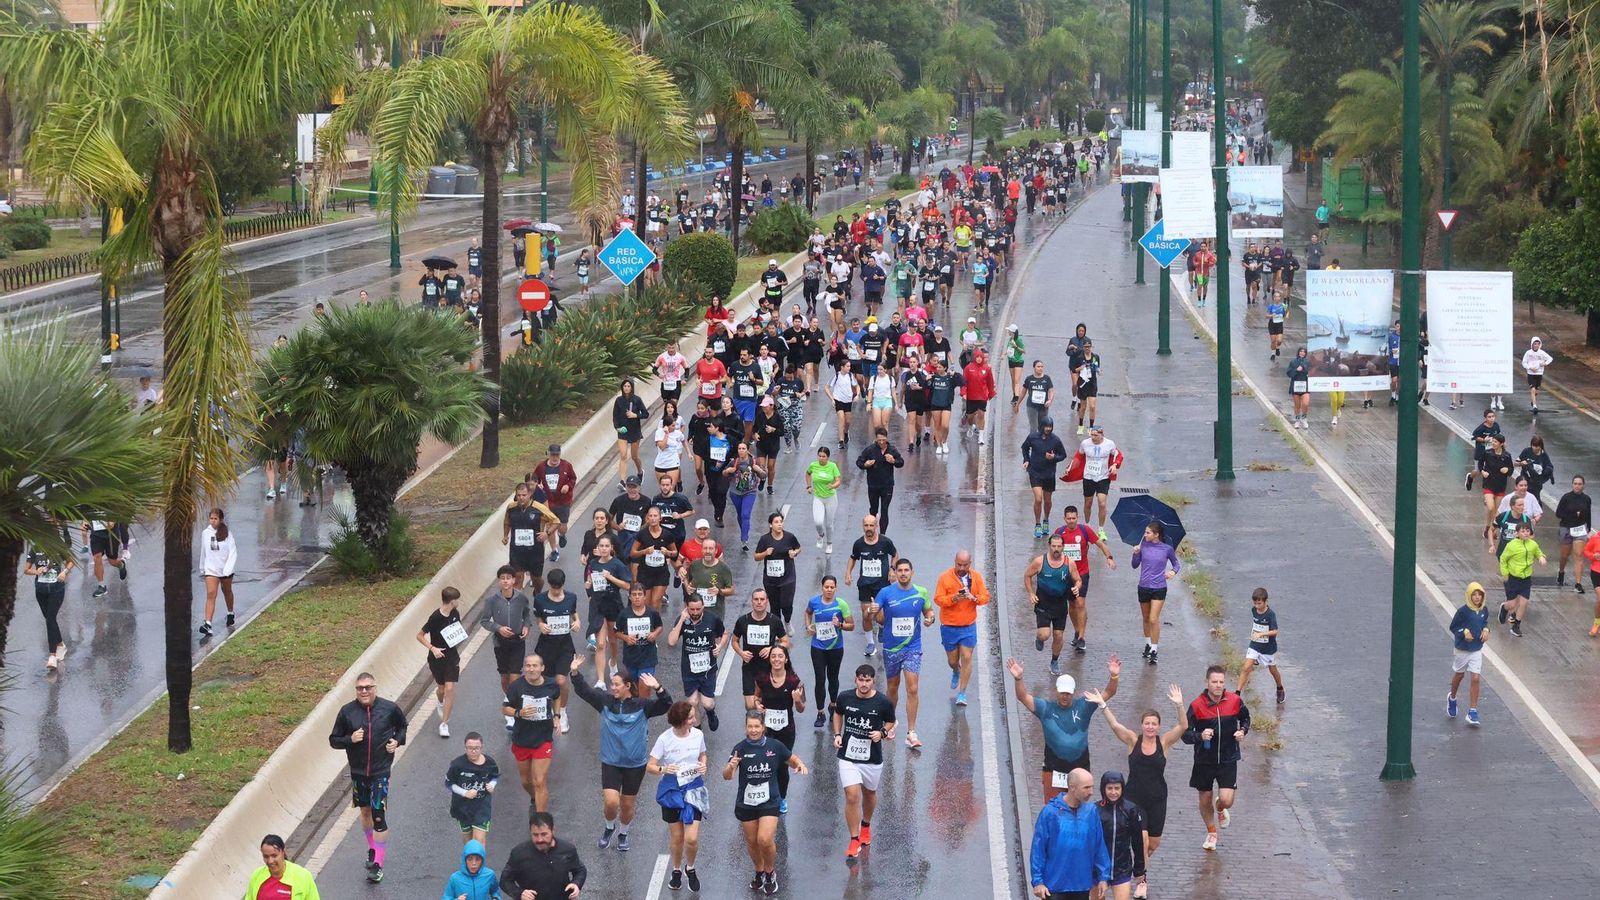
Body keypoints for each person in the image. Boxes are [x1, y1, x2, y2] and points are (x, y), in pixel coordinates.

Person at [569, 656, 672, 851]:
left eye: (616, 685)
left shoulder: (643, 705)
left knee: (626, 806)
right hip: (611, 762)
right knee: (611, 802)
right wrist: (574, 672)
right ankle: (609, 827)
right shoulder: (605, 702)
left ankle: (623, 832)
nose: (612, 688)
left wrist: (658, 687)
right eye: (611, 684)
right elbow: (584, 691)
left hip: (635, 765)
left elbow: (666, 704)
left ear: (627, 686)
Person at [1092, 685, 1186, 897]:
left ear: (1159, 726)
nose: (1150, 727)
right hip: (1135, 800)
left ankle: (1139, 864)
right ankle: (1142, 880)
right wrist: (1103, 705)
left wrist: (1179, 704)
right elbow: (1115, 725)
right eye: (1147, 723)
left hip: (1158, 800)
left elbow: (1183, 725)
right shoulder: (1133, 741)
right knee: (1142, 840)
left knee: (1152, 844)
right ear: (1142, 725)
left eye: (1154, 724)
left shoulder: (1164, 742)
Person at [327, 672, 407, 883]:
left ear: (375, 688)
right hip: (358, 772)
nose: (364, 691)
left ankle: (378, 864)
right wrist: (350, 739)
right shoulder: (347, 712)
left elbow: (402, 726)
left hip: (381, 772)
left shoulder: (389, 709)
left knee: (378, 815)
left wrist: (396, 742)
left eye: (368, 687)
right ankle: (372, 849)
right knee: (365, 812)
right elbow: (334, 740)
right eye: (360, 688)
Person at [1008, 656, 1120, 800]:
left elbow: (1109, 692)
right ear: (1056, 691)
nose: (1065, 696)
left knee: (1081, 810)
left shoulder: (1085, 705)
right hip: (1053, 771)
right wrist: (1018, 679)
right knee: (1054, 811)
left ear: (1073, 692)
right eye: (1062, 693)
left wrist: (1114, 676)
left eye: (1068, 693)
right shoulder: (1045, 708)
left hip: (1080, 770)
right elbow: (1023, 697)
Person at [725, 712, 809, 894]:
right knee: (752, 842)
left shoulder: (775, 746)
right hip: (746, 803)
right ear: (745, 728)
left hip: (769, 800)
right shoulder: (740, 748)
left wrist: (800, 764)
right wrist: (731, 766)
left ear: (763, 727)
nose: (753, 730)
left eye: (757, 726)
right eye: (750, 726)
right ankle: (759, 871)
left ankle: (770, 872)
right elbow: (727, 776)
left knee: (764, 839)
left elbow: (791, 759)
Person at [1183, 665, 1250, 851]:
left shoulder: (1235, 701)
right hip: (1204, 760)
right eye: (1214, 682)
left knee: (1227, 800)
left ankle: (1220, 809)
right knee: (1205, 798)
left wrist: (1242, 731)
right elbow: (1185, 734)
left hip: (1228, 758)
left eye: (1221, 682)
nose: (1218, 685)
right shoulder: (1197, 706)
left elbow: (1246, 719)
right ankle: (1212, 832)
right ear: (1207, 683)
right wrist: (1199, 736)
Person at [834, 664, 897, 861]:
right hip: (848, 756)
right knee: (852, 796)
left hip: (871, 758)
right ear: (855, 680)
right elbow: (838, 713)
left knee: (869, 794)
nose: (864, 684)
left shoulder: (883, 702)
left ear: (873, 681)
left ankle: (866, 825)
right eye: (861, 680)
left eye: (867, 680)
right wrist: (837, 734)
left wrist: (882, 733)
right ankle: (854, 839)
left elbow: (891, 721)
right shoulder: (845, 697)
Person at [648, 701, 709, 892]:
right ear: (681, 721)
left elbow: (703, 755)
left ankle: (690, 867)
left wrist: (703, 765)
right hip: (672, 790)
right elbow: (650, 765)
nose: (694, 720)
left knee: (691, 839)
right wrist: (664, 769)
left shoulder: (698, 734)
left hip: (694, 788)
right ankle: (676, 870)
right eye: (691, 717)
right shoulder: (665, 739)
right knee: (677, 837)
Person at [874, 557, 935, 749]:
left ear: (912, 572)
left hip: (912, 648)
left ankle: (911, 732)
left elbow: (929, 612)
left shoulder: (921, 592)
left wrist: (930, 619)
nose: (903, 573)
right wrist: (873, 611)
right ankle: (891, 722)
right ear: (895, 573)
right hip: (892, 648)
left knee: (913, 688)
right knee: (892, 688)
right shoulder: (885, 593)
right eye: (899, 570)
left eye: (906, 570)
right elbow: (880, 620)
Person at [1028, 769, 1112, 900]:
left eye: (1092, 787)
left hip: (1081, 885)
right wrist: (1038, 882)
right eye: (1086, 787)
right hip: (1054, 886)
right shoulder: (1050, 813)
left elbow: (1098, 845)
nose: (1091, 792)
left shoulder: (1091, 812)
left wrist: (1103, 877)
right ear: (1072, 787)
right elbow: (1038, 849)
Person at [502, 653, 562, 811]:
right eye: (528, 665)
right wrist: (519, 713)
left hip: (543, 738)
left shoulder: (551, 685)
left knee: (540, 781)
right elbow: (504, 708)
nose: (531, 669)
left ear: (542, 668)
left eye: (535, 665)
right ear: (524, 668)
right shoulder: (516, 687)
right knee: (526, 781)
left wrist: (557, 716)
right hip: (521, 738)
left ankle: (540, 818)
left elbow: (557, 698)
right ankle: (534, 797)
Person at [1054, 507, 1117, 652]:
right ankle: (1077, 631)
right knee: (1071, 605)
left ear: (1078, 517)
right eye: (1068, 518)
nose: (1071, 521)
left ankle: (1082, 637)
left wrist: (1109, 558)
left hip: (1082, 573)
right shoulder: (1059, 532)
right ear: (1064, 519)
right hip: (1066, 574)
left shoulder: (1085, 530)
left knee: (1080, 602)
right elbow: (1053, 551)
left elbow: (1101, 544)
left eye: (1073, 518)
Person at [752, 644, 807, 810]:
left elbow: (801, 708)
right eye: (773, 656)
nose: (776, 659)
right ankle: (765, 794)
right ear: (770, 659)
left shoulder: (794, 681)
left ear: (786, 659)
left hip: (786, 730)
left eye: (780, 656)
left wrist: (797, 700)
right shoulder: (762, 679)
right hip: (766, 730)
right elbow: (756, 697)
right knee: (765, 763)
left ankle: (781, 798)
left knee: (783, 765)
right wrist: (757, 705)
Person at [933, 550, 991, 706]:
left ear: (969, 564)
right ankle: (955, 670)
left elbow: (986, 597)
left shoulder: (976, 577)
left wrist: (974, 598)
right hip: (949, 626)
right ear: (954, 562)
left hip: (968, 626)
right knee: (952, 660)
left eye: (965, 565)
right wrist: (954, 598)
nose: (961, 568)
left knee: (966, 657)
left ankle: (962, 693)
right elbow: (938, 599)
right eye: (959, 564)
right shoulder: (944, 577)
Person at [668, 591, 729, 732]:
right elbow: (671, 642)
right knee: (692, 702)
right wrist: (682, 620)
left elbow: (724, 634)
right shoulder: (682, 619)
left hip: (708, 669)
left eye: (698, 609)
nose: (695, 612)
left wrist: (719, 647)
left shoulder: (712, 619)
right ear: (686, 607)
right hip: (689, 670)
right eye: (692, 609)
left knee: (707, 703)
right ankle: (698, 732)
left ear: (703, 607)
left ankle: (710, 712)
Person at [1024, 533, 1083, 674]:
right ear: (1049, 546)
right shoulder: (1039, 561)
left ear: (1063, 547)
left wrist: (1077, 587)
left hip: (1061, 605)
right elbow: (1027, 576)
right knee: (1045, 635)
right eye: (1053, 546)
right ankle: (1039, 638)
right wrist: (1031, 593)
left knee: (1058, 635)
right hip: (1043, 604)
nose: (1056, 549)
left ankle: (1054, 662)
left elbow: (1078, 579)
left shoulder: (1069, 563)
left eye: (1059, 546)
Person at [482, 565, 533, 727]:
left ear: (514, 580)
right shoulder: (491, 601)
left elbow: (527, 613)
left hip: (517, 642)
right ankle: (509, 698)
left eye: (508, 578)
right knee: (504, 677)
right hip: (500, 643)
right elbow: (484, 621)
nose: (506, 581)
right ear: (499, 581)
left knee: (515, 677)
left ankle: (511, 708)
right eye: (502, 578)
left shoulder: (521, 597)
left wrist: (526, 626)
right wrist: (498, 628)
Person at [499, 812, 586, 900]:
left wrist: (576, 884)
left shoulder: (567, 849)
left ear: (553, 830)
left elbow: (580, 870)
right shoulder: (519, 853)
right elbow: (505, 880)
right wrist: (520, 894)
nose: (540, 839)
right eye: (535, 835)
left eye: (544, 834)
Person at [846, 515, 897, 658]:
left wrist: (892, 569)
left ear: (876, 526)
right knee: (866, 615)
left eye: (871, 525)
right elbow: (853, 558)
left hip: (882, 585)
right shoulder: (859, 544)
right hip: (865, 585)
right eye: (866, 526)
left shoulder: (885, 542)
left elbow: (895, 554)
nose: (869, 528)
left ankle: (881, 627)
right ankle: (870, 644)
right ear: (863, 526)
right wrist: (848, 573)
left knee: (880, 618)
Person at [418, 586, 467, 738]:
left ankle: (444, 723)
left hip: (451, 657)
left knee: (450, 688)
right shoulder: (435, 618)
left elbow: (455, 630)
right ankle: (440, 701)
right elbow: (419, 635)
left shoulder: (455, 613)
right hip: (437, 658)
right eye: (457, 600)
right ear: (452, 601)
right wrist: (433, 648)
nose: (458, 602)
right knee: (441, 689)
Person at [1130, 524, 1180, 665]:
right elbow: (1134, 565)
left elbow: (1176, 564)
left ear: (1156, 534)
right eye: (1145, 532)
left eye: (1148, 532)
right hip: (1143, 587)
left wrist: (1172, 572)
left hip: (1159, 587)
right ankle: (1147, 644)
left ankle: (1154, 650)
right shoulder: (1142, 546)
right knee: (1146, 618)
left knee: (1153, 619)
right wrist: (1136, 553)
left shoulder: (1167, 549)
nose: (1145, 535)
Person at [734, 588, 791, 710]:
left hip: (767, 668)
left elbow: (786, 642)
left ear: (767, 601)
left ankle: (761, 727)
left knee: (764, 703)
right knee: (750, 705)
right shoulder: (743, 620)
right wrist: (741, 652)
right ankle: (753, 725)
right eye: (756, 599)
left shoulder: (774, 621)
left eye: (762, 599)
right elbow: (734, 641)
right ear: (752, 602)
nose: (759, 602)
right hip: (749, 667)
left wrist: (772, 649)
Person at [1094, 771, 1147, 900]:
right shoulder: (1095, 810)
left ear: (1122, 788)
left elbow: (1137, 841)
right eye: (1109, 788)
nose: (1113, 792)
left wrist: (1139, 869)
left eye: (1117, 788)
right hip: (1098, 869)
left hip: (1122, 868)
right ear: (1103, 789)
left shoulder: (1131, 809)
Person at [444, 731, 499, 848]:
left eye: (476, 748)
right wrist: (465, 793)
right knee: (468, 843)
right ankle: (469, 863)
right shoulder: (457, 765)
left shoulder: (490, 763)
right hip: (462, 808)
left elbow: (494, 776)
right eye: (470, 748)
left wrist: (492, 785)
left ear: (481, 747)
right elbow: (449, 783)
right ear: (465, 748)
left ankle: (480, 865)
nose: (473, 751)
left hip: (482, 807)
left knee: (478, 843)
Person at [1448, 582, 1491, 726]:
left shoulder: (1484, 610)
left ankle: (1473, 711)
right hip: (1462, 650)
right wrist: (1464, 632)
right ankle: (1452, 698)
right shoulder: (1463, 611)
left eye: (1479, 594)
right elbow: (1454, 627)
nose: (1477, 597)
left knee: (1476, 678)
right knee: (1459, 675)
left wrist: (1486, 630)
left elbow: (1484, 622)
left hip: (1476, 649)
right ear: (1469, 596)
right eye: (1474, 594)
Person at [502, 484, 556, 593]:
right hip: (517, 550)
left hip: (535, 551)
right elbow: (507, 522)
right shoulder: (511, 507)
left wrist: (547, 533)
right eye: (518, 495)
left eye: (524, 495)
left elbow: (556, 521)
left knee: (536, 579)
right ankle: (519, 605)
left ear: (530, 494)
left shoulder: (539, 508)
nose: (521, 498)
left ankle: (538, 592)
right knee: (517, 578)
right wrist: (505, 536)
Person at [753, 512, 803, 625]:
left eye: (781, 522)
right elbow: (756, 557)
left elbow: (798, 548)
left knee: (786, 604)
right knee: (774, 607)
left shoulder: (789, 537)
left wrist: (794, 553)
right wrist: (765, 553)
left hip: (787, 578)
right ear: (770, 525)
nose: (779, 524)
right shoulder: (765, 539)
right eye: (776, 522)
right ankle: (778, 632)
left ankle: (787, 621)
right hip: (770, 580)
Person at [1235, 587, 1284, 702]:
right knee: (1246, 667)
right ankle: (1237, 694)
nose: (1257, 606)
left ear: (1266, 601)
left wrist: (1261, 634)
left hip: (1267, 649)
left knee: (1273, 670)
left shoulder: (1271, 615)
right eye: (1255, 603)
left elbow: (1275, 631)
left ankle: (1280, 688)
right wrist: (1255, 635)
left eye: (1259, 603)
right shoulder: (1253, 610)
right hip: (1255, 645)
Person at [1023, 417, 1069, 537]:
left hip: (1049, 474)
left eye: (1050, 427)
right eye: (1046, 426)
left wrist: (1053, 458)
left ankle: (1046, 520)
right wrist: (1026, 460)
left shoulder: (1055, 440)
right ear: (1042, 426)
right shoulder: (1033, 437)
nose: (1048, 429)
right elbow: (1025, 448)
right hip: (1035, 472)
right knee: (1038, 499)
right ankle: (1037, 524)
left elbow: (1063, 455)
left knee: (1047, 501)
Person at [530, 445, 577, 562]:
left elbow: (573, 478)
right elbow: (534, 479)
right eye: (553, 455)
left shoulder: (567, 465)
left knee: (562, 526)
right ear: (548, 454)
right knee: (550, 527)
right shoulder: (541, 467)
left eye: (557, 455)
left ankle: (561, 535)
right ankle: (554, 550)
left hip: (563, 502)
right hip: (548, 502)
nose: (555, 458)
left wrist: (568, 486)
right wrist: (538, 485)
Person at [1498, 520, 1544, 637]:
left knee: (1524, 602)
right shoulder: (1512, 545)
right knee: (1512, 604)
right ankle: (1504, 607)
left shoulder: (1533, 544)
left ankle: (1516, 626)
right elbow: (1503, 559)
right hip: (1513, 578)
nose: (1525, 533)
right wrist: (1505, 573)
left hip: (1526, 578)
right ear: (1517, 533)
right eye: (1522, 531)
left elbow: (1538, 553)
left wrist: (1541, 558)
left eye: (1527, 531)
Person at [855, 427, 905, 532]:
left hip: (887, 485)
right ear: (876, 439)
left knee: (885, 509)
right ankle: (872, 531)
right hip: (873, 485)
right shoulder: (870, 450)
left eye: (883, 440)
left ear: (886, 438)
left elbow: (901, 462)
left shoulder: (892, 450)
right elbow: (859, 461)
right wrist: (865, 464)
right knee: (873, 509)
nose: (881, 442)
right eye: (879, 440)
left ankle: (882, 535)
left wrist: (893, 461)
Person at [198, 508, 237, 636]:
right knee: (211, 594)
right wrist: (202, 566)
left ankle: (230, 612)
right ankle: (208, 623)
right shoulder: (205, 533)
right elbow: (203, 550)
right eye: (211, 519)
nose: (213, 521)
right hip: (211, 569)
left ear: (220, 520)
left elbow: (232, 552)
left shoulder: (227, 534)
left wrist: (227, 569)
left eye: (215, 519)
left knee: (227, 592)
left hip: (225, 570)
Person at [247, 834, 322, 900]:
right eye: (266, 856)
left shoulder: (303, 876)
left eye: (274, 855)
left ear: (283, 852)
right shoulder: (257, 875)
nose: (270, 861)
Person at [1078, 426, 1120, 535]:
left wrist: (1115, 465)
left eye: (1096, 435)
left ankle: (1101, 529)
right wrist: (1071, 468)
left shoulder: (1109, 444)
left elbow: (1118, 454)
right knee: (1088, 503)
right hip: (1088, 477)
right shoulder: (1085, 443)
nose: (1093, 437)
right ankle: (1087, 525)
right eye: (1092, 435)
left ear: (1102, 435)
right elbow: (1079, 456)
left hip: (1103, 477)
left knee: (1102, 503)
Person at [1556, 476, 1592, 593]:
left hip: (1580, 529)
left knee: (1578, 555)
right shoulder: (1566, 497)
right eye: (1575, 483)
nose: (1577, 486)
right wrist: (1572, 514)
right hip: (1566, 527)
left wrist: (1588, 527)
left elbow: (1588, 514)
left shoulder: (1586, 499)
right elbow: (1558, 513)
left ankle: (1578, 583)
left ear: (1583, 485)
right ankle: (1561, 572)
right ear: (1572, 485)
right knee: (1564, 556)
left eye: (1580, 484)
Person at [806, 446, 844, 553]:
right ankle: (821, 535)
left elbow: (838, 480)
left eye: (824, 456)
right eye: (820, 456)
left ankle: (829, 543)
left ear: (828, 457)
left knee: (829, 524)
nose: (821, 458)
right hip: (818, 497)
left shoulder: (832, 466)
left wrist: (833, 486)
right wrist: (809, 486)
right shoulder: (813, 465)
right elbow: (808, 474)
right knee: (818, 522)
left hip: (830, 498)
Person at [612, 379, 649, 489]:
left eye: (628, 386)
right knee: (623, 455)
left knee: (634, 456)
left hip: (634, 431)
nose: (626, 388)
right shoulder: (618, 400)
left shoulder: (637, 400)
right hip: (623, 432)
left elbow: (646, 414)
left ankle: (640, 471)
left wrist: (635, 415)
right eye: (625, 386)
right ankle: (622, 481)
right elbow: (615, 417)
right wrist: (617, 428)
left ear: (632, 387)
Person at [1021, 360, 1056, 433]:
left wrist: (1050, 400)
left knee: (1042, 426)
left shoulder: (1047, 378)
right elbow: (1023, 391)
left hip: (1043, 407)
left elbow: (1051, 391)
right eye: (1038, 367)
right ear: (1034, 368)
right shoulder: (1029, 379)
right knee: (1033, 427)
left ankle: (1041, 443)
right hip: (1032, 406)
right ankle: (1033, 443)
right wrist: (1018, 404)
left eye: (1042, 367)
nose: (1040, 368)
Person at [1522, 336, 1553, 414]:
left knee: (1536, 390)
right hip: (1531, 373)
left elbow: (1550, 358)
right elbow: (1524, 362)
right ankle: (1535, 406)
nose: (1536, 345)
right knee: (1532, 389)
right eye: (1535, 344)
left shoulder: (1542, 353)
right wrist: (1530, 368)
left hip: (1539, 373)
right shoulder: (1528, 353)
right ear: (1532, 344)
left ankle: (1533, 400)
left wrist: (1545, 363)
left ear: (1540, 345)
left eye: (1538, 344)